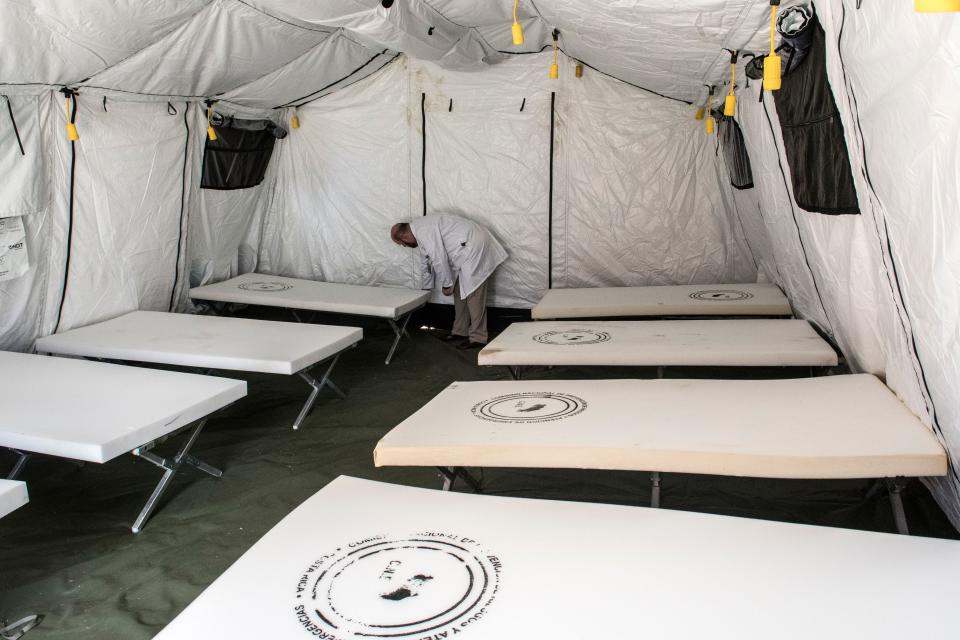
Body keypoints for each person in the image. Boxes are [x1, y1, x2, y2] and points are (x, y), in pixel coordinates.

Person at [391, 214, 507, 349]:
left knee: (474, 293)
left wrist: (446, 284)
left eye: (401, 244)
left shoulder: (424, 230)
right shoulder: (419, 230)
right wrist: (426, 287)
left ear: (405, 237)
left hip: (475, 245)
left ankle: (478, 337)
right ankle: (460, 331)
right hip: (466, 247)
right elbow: (426, 261)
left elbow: (438, 259)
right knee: (459, 289)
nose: (404, 246)